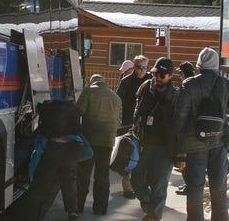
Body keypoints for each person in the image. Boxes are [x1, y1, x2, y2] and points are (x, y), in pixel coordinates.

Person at [175, 48, 229, 221]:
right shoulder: (226, 85)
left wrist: (180, 149)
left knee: (194, 188)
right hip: (218, 142)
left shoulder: (189, 84)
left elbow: (179, 119)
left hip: (194, 145)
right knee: (218, 189)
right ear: (216, 65)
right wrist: (227, 129)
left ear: (199, 65)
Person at [21, 98, 92, 221]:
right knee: (69, 182)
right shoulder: (77, 137)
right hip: (70, 160)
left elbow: (37, 154)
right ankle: (72, 211)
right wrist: (75, 160)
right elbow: (89, 153)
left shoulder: (46, 136)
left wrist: (31, 173)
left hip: (50, 161)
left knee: (37, 191)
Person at [131, 57, 181, 221]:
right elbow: (137, 111)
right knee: (136, 181)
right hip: (143, 143)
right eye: (155, 73)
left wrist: (181, 154)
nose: (158, 77)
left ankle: (154, 216)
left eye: (162, 75)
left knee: (159, 185)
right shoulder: (145, 88)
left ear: (170, 75)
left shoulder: (176, 95)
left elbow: (180, 126)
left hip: (166, 147)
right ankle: (146, 200)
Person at [75, 74, 122, 215]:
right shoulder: (116, 97)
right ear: (104, 82)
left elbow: (78, 111)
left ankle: (78, 207)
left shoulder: (88, 91)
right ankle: (100, 208)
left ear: (92, 82)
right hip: (107, 142)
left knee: (83, 175)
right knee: (102, 176)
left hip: (89, 140)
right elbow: (119, 121)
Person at [116, 55, 150, 197]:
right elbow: (117, 101)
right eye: (140, 67)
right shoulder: (126, 82)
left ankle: (141, 185)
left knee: (145, 157)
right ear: (134, 67)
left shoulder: (151, 81)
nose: (143, 70)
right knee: (131, 155)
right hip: (129, 123)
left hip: (147, 125)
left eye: (145, 67)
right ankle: (127, 186)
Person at [175, 60, 195, 195]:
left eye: (180, 73)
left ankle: (189, 185)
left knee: (184, 160)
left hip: (187, 127)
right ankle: (188, 184)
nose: (179, 76)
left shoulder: (186, 86)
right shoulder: (196, 83)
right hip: (195, 127)